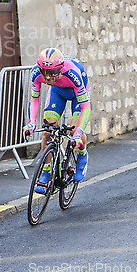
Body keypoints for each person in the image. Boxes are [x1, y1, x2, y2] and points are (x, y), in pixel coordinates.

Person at [23, 47, 91, 192]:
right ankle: (46, 172)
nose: (47, 77)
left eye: (52, 73)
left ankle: (82, 155)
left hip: (76, 93)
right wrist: (31, 122)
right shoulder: (36, 72)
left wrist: (79, 132)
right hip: (57, 92)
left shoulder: (72, 73)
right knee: (48, 132)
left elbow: (86, 108)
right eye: (44, 72)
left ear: (60, 69)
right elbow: (34, 100)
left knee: (74, 132)